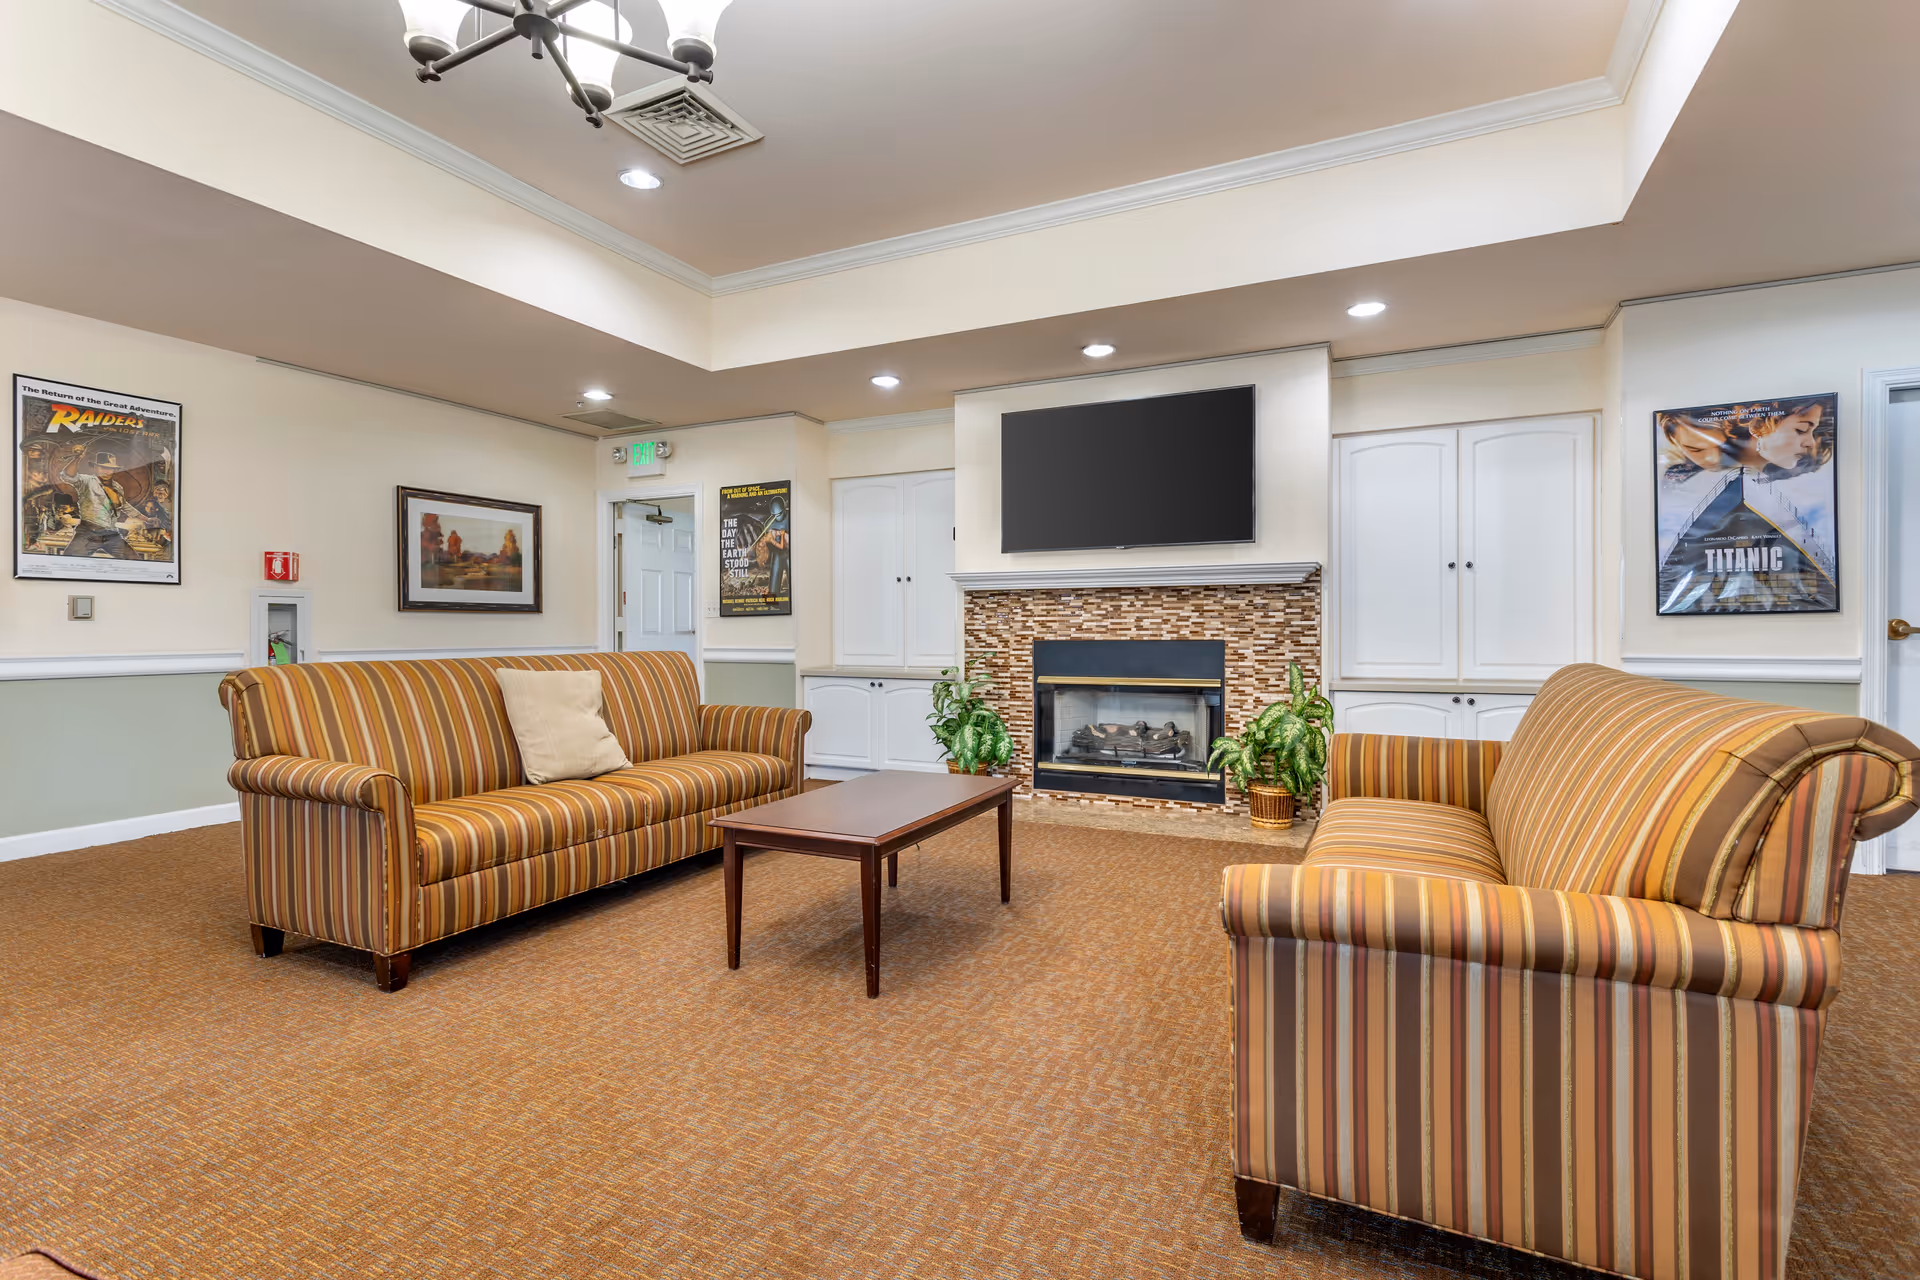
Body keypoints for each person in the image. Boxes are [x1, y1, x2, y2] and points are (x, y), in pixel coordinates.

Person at [55, 445, 140, 559]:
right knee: (69, 561)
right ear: (95, 468)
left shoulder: (117, 487)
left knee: (134, 560)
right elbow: (68, 477)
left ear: (114, 470)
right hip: (89, 534)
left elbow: (124, 505)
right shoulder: (87, 481)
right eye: (102, 467)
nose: (106, 471)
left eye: (109, 468)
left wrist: (146, 518)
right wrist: (77, 458)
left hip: (112, 535)